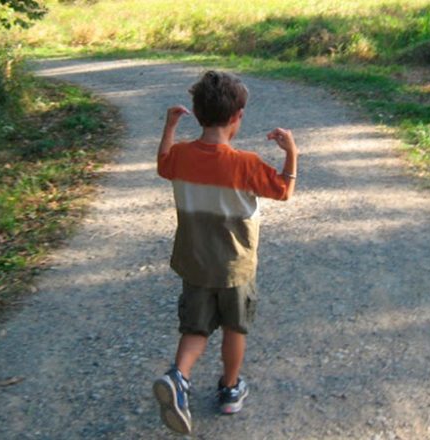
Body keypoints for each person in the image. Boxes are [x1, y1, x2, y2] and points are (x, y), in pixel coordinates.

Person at [152, 70, 298, 434]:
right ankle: (230, 390)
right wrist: (291, 152)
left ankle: (178, 377)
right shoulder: (246, 164)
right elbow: (284, 190)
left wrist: (169, 127)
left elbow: (163, 163)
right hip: (235, 268)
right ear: (238, 116)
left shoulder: (183, 156)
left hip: (195, 264)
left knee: (195, 327)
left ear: (198, 115)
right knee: (235, 326)